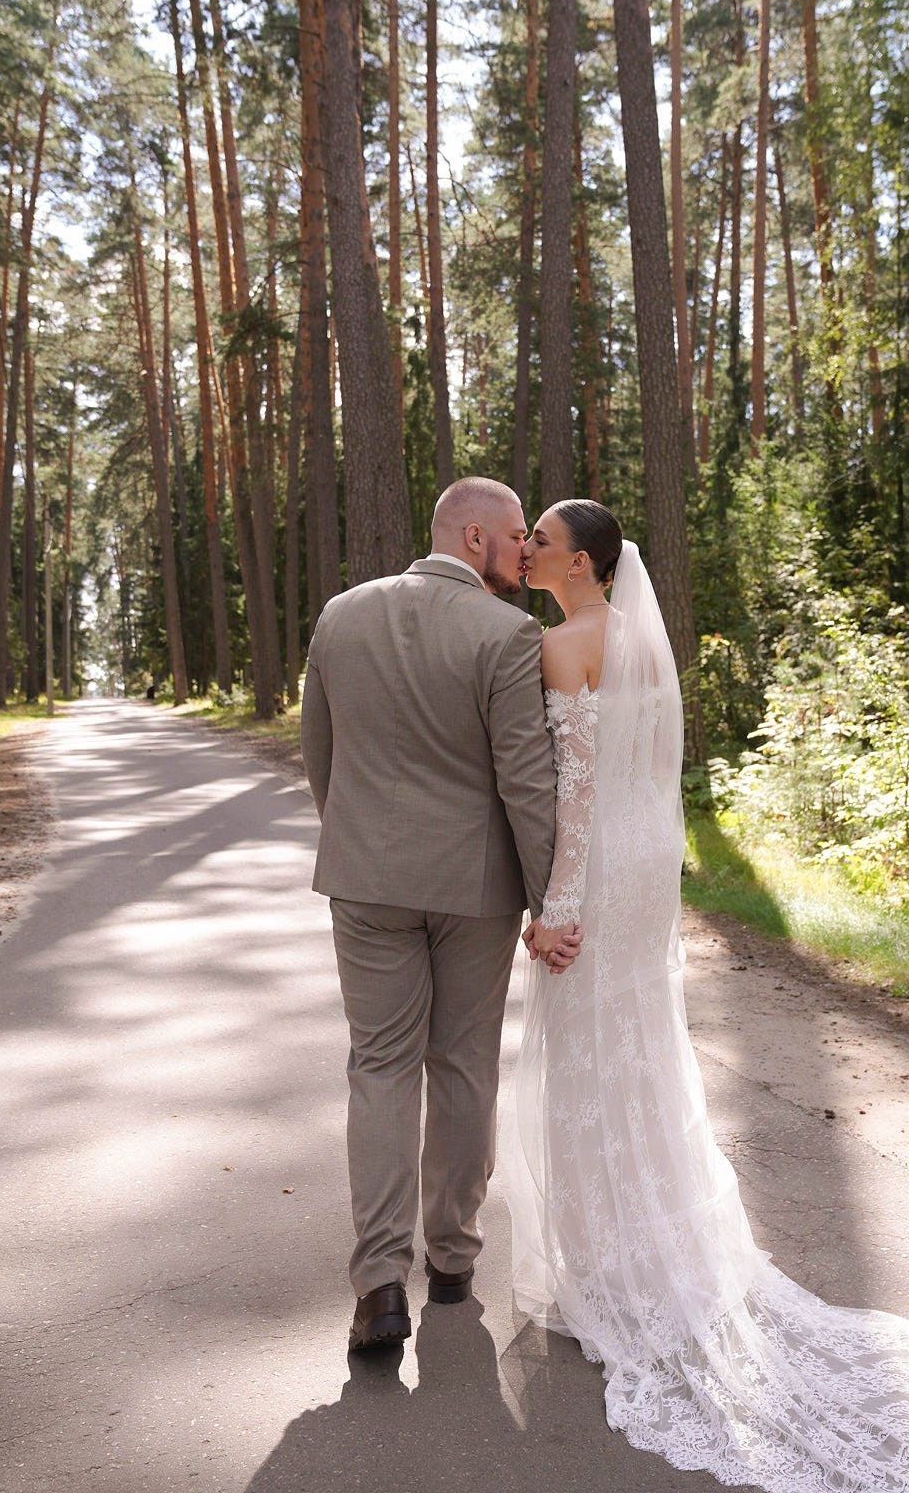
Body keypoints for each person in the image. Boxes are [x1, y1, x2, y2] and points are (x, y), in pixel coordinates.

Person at [504, 498, 909, 1492]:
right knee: (637, 1041)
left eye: (541, 537)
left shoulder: (565, 642)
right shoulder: (636, 635)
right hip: (652, 861)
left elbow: (574, 796)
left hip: (596, 871)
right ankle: (645, 1248)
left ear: (580, 561)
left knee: (589, 1052)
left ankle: (611, 1276)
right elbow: (657, 771)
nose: (527, 547)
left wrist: (555, 904)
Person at [300, 477, 581, 1357]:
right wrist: (549, 904)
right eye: (512, 539)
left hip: (367, 881)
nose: (524, 555)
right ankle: (453, 1259)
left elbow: (321, 751)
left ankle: (378, 1285)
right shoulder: (507, 634)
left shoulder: (340, 615)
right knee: (462, 1066)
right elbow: (525, 780)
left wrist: (356, 844)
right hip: (474, 889)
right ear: (471, 537)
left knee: (379, 1067)